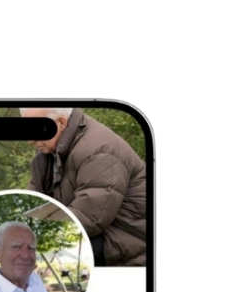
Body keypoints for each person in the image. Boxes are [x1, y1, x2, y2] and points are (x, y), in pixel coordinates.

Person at [21, 106, 147, 267]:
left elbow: (90, 219)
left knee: (46, 254)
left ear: (61, 122)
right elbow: (34, 199)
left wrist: (36, 236)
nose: (30, 141)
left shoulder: (99, 152)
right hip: (101, 235)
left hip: (128, 245)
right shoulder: (49, 152)